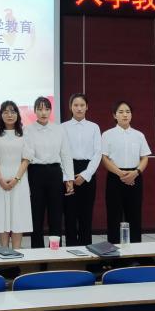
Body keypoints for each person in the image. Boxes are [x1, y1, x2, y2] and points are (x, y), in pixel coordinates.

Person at [0, 100, 33, 249]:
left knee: (18, 216)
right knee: (2, 216)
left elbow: (26, 158)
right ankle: (4, 251)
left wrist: (16, 179)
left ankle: (17, 251)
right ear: (0, 115)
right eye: (5, 112)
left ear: (17, 114)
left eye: (12, 111)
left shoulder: (25, 133)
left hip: (19, 180)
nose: (9, 115)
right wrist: (1, 180)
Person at [27, 96, 74, 248]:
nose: (43, 113)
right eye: (40, 109)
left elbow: (65, 154)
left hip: (55, 173)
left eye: (47, 109)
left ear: (50, 111)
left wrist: (69, 178)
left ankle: (55, 249)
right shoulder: (28, 130)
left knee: (56, 214)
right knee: (36, 214)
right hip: (35, 172)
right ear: (34, 111)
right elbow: (26, 156)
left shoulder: (59, 129)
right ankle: (37, 251)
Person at [101, 100, 150, 244]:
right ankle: (113, 252)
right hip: (115, 177)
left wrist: (136, 172)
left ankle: (135, 251)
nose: (125, 115)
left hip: (135, 177)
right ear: (114, 115)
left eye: (128, 112)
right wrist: (120, 173)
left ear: (131, 115)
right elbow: (104, 158)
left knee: (134, 215)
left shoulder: (139, 135)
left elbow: (145, 157)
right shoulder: (107, 134)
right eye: (121, 112)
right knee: (114, 216)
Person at [62, 93, 102, 247]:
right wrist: (68, 177)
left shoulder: (94, 127)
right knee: (70, 215)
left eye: (82, 105)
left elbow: (98, 153)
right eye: (76, 105)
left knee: (86, 215)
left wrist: (85, 175)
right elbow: (61, 153)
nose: (79, 108)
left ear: (87, 107)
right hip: (68, 170)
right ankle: (71, 251)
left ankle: (87, 251)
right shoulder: (63, 127)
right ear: (70, 107)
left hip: (88, 171)